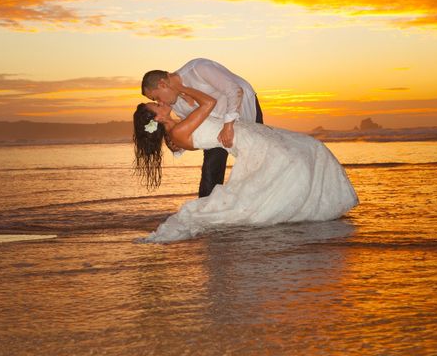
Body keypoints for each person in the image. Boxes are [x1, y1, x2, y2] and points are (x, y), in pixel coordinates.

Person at [133, 83, 359, 243]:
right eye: (157, 106)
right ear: (158, 119)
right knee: (299, 157)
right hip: (248, 142)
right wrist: (181, 87)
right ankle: (309, 208)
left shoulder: (177, 129)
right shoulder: (181, 129)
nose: (161, 102)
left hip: (249, 136)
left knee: (308, 148)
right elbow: (209, 102)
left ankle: (310, 205)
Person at [141, 58, 263, 198]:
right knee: (210, 171)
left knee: (258, 160)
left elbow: (235, 90)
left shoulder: (198, 68)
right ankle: (207, 211)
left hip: (244, 108)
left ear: (162, 84)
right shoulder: (174, 104)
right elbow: (193, 126)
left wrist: (228, 125)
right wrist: (178, 145)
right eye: (156, 101)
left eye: (156, 98)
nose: (160, 102)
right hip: (216, 131)